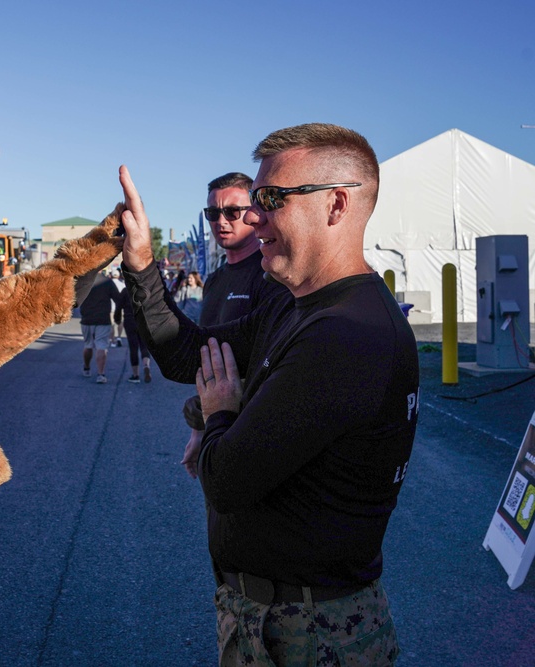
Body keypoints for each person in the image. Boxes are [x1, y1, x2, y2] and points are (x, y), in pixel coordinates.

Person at [117, 123, 417, 665]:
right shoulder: (293, 305)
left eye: (271, 199)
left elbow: (228, 480)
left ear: (336, 205)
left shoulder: (346, 334)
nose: (253, 216)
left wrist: (219, 414)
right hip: (272, 619)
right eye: (253, 200)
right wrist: (141, 265)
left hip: (312, 633)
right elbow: (191, 354)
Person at [181, 172, 289, 477]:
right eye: (213, 213)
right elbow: (208, 361)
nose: (221, 221)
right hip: (215, 426)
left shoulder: (270, 276)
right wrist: (198, 432)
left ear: (254, 212)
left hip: (252, 432)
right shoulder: (214, 280)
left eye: (232, 211)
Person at [79, 270, 122, 384]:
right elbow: (118, 300)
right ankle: (100, 374)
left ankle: (87, 368)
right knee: (101, 346)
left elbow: (73, 299)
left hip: (87, 319)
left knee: (88, 345)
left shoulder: (83, 281)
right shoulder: (107, 282)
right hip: (103, 319)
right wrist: (117, 316)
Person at [114, 285, 152, 383]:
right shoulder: (146, 290)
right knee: (144, 346)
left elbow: (118, 306)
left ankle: (136, 375)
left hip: (130, 320)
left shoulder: (125, 291)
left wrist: (117, 319)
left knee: (133, 347)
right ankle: (146, 365)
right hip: (144, 321)